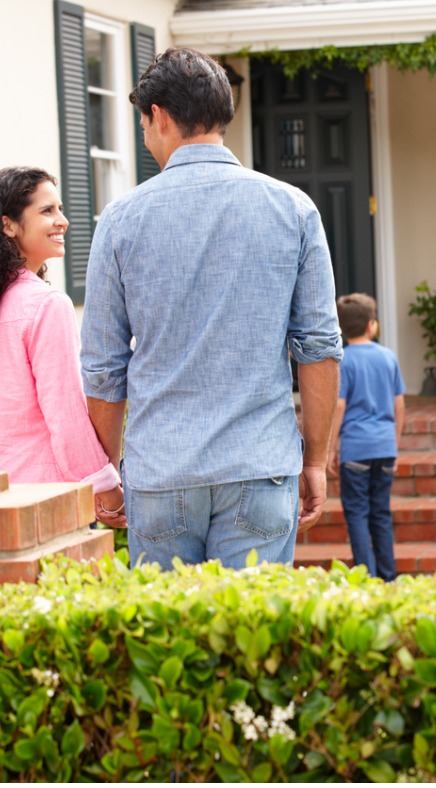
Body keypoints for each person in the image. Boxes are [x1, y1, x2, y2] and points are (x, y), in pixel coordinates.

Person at [80, 48, 343, 570]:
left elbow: (104, 369)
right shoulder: (293, 208)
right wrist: (315, 459)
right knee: (251, 645)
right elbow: (318, 350)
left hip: (161, 472)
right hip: (259, 465)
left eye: (144, 123)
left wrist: (106, 473)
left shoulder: (120, 220)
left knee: (166, 644)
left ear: (158, 115)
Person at [0, 167, 125, 525]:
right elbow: (65, 415)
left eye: (60, 208)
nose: (63, 221)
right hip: (41, 499)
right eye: (47, 210)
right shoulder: (45, 305)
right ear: (8, 224)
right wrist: (107, 486)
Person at [328, 294, 405, 581]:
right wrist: (394, 445)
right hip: (385, 446)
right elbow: (399, 404)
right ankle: (388, 577)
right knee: (381, 514)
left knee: (357, 514)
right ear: (372, 325)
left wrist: (329, 449)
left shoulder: (343, 361)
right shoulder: (388, 357)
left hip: (356, 449)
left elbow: (339, 405)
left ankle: (366, 578)